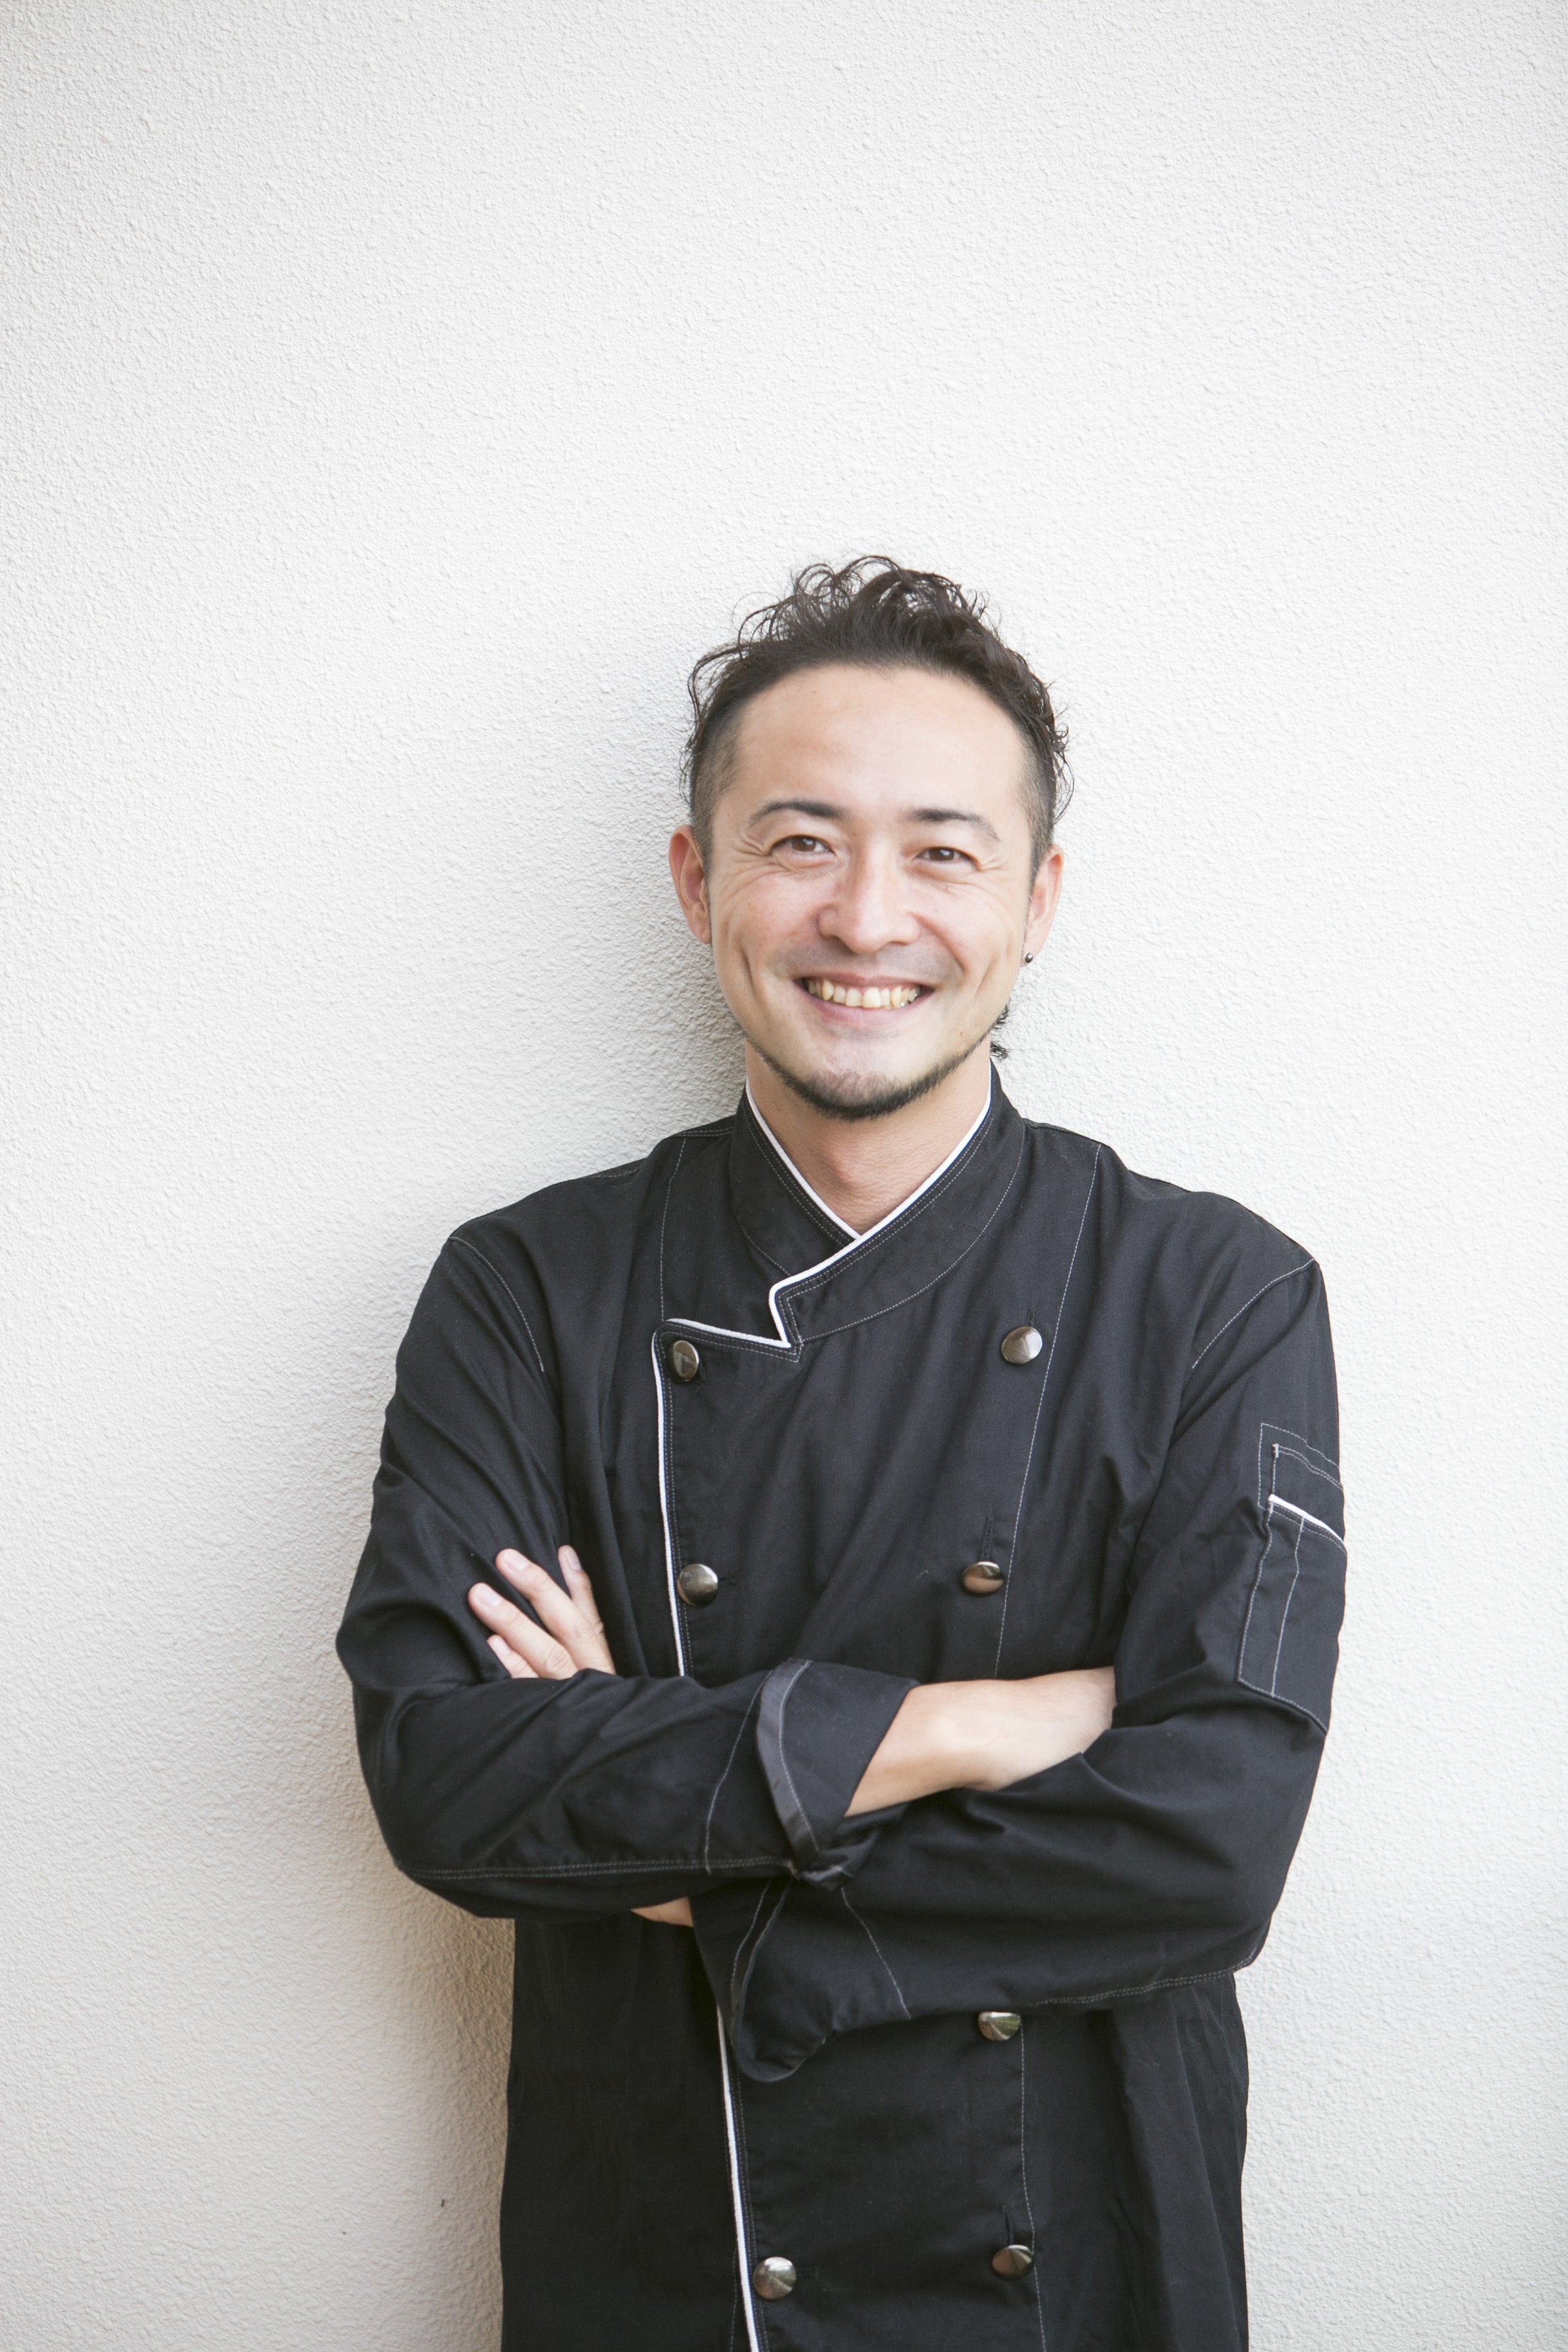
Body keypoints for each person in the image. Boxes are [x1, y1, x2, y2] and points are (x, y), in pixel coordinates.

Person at [337, 557, 1346, 2352]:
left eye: (942, 852)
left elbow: (1208, 1848)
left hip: (1083, 2250)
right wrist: (974, 1726)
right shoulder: (529, 1288)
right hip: (671, 2253)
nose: (867, 916)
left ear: (1035, 902)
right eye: (800, 841)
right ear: (697, 880)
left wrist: (664, 1836)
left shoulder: (1215, 1296)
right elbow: (449, 1780)